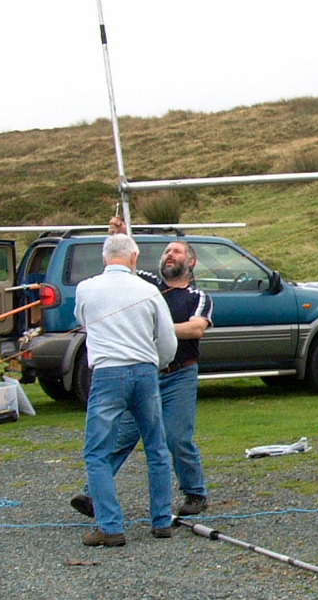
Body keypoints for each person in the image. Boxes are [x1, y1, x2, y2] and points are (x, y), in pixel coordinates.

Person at [72, 220, 213, 521]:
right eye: (166, 252)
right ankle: (93, 493)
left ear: (191, 261)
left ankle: (195, 492)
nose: (169, 255)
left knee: (176, 437)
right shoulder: (148, 285)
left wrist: (156, 325)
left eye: (176, 251)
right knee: (122, 436)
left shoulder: (198, 297)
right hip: (145, 375)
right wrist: (118, 236)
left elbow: (196, 328)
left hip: (179, 374)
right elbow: (123, 266)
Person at [75, 233, 178, 547]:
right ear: (134, 259)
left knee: (97, 453)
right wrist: (158, 363)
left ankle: (110, 526)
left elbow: (82, 320)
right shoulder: (149, 291)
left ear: (105, 258)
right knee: (156, 448)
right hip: (146, 372)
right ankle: (161, 520)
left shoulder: (86, 288)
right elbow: (168, 341)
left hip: (107, 373)